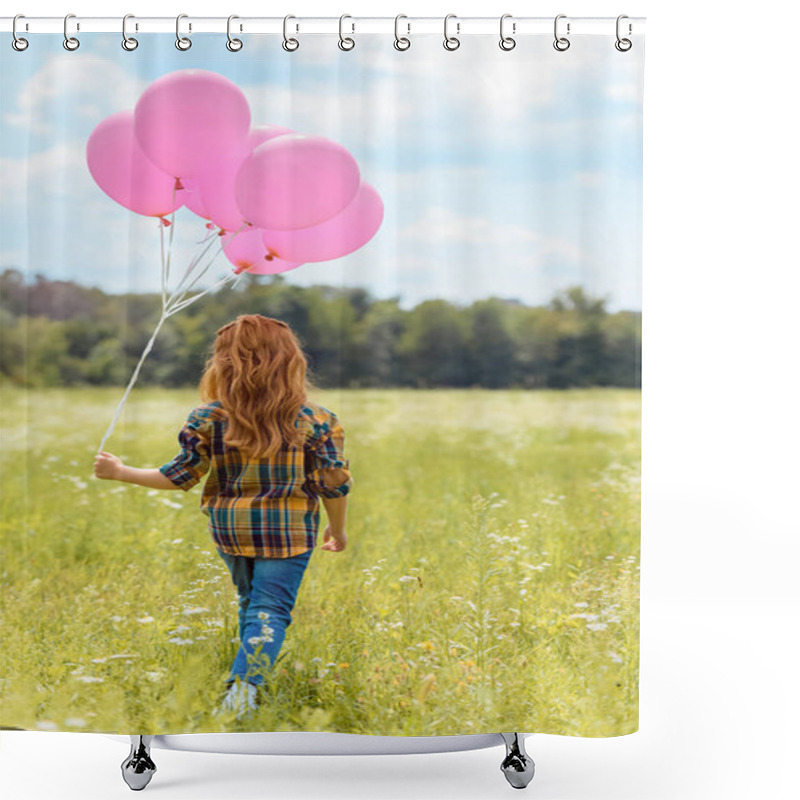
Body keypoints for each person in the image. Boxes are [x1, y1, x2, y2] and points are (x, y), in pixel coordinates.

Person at [93, 314, 353, 720]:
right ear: (290, 361)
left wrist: (121, 472)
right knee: (270, 610)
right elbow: (333, 484)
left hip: (230, 530)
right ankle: (243, 690)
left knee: (253, 604)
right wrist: (337, 529)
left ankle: (245, 678)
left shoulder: (208, 418)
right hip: (288, 533)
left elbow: (179, 477)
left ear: (223, 363)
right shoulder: (317, 419)